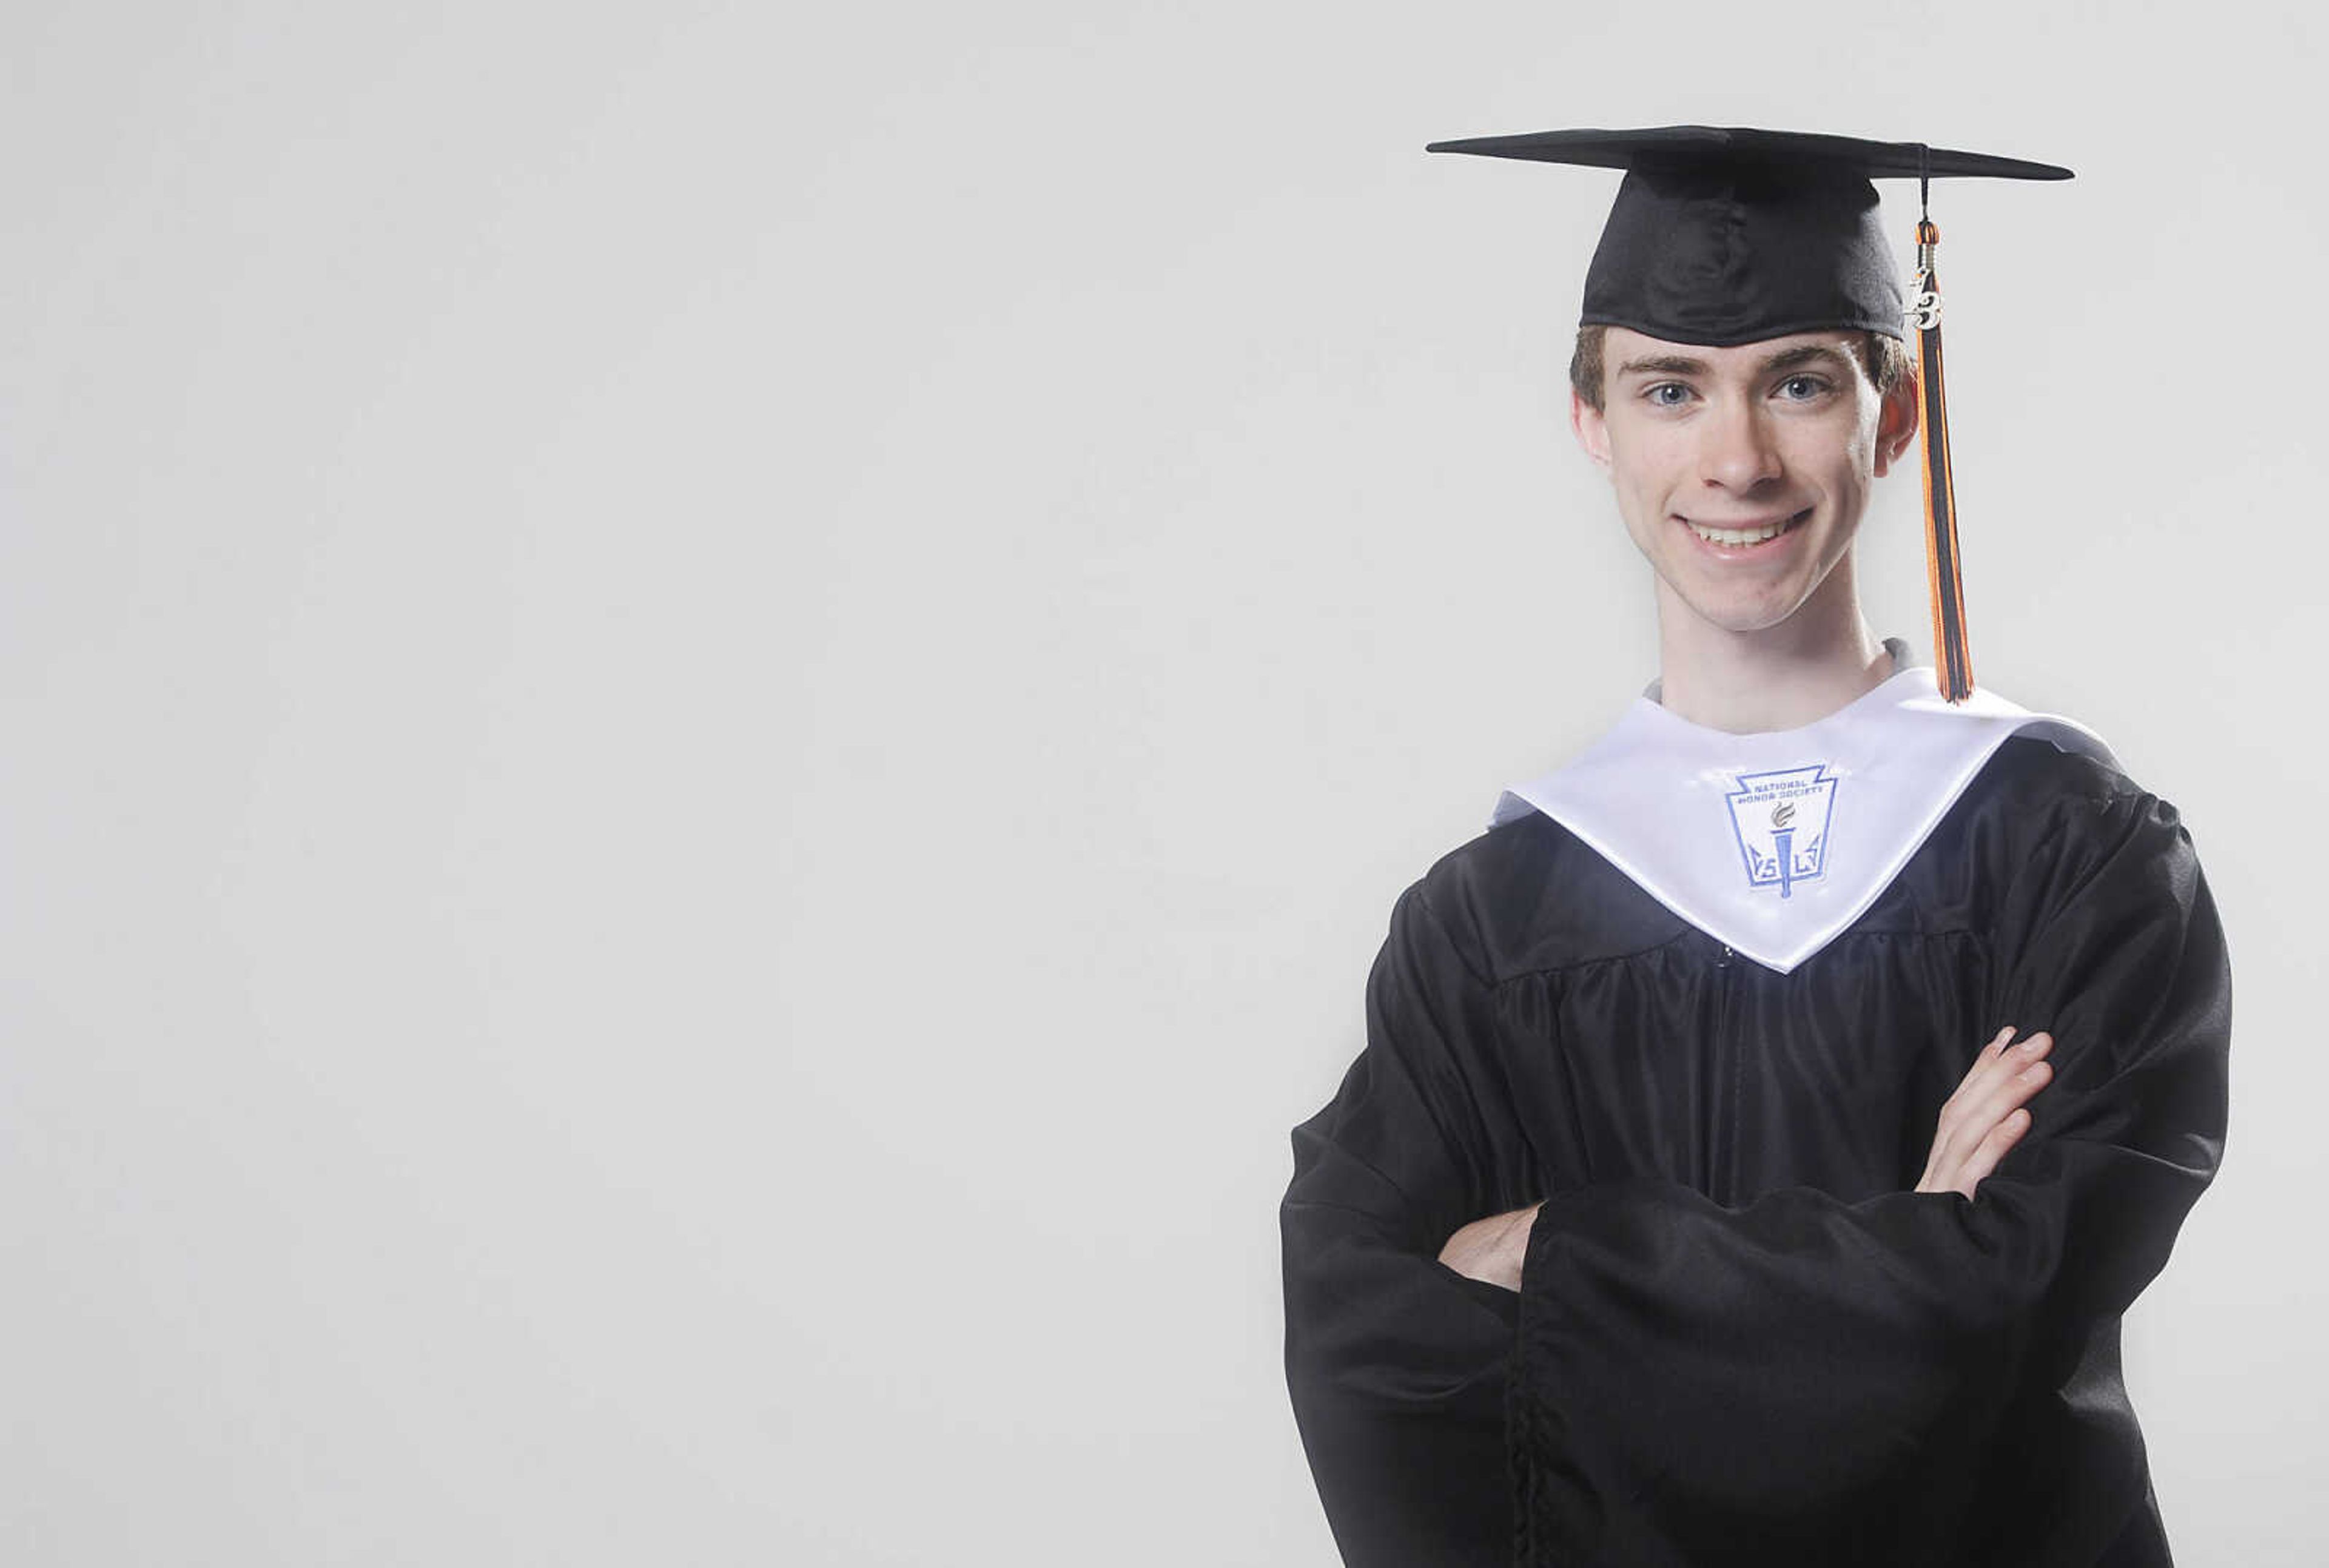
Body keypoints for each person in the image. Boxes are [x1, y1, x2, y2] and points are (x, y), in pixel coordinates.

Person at [1278, 127, 2231, 1568]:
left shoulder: (2072, 854)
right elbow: (1375, 1354)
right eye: (1671, 389)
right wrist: (1904, 1259)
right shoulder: (1485, 928)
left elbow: (2022, 1298)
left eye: (1797, 382)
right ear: (1594, 420)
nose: (1735, 459)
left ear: (1892, 418)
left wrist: (1557, 1259)